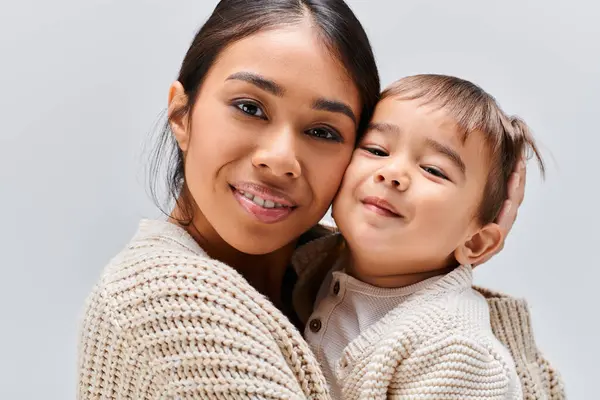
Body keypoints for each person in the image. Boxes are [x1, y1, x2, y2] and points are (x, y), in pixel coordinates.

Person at [77, 1, 537, 399]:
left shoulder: (331, 279)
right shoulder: (168, 301)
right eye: (249, 107)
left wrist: (448, 273)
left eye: (323, 131)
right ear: (182, 113)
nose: (280, 161)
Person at [296, 75, 566, 399]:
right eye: (376, 149)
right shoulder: (310, 262)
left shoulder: (457, 350)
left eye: (434, 170)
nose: (392, 173)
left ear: (476, 243)